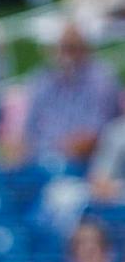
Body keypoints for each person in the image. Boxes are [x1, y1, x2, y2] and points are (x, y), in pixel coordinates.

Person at [14, 22, 120, 167]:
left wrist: (49, 152)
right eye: (60, 48)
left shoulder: (101, 82)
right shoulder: (42, 79)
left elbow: (94, 139)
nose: (65, 55)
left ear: (86, 49)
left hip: (79, 165)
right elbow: (26, 132)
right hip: (39, 160)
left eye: (71, 48)